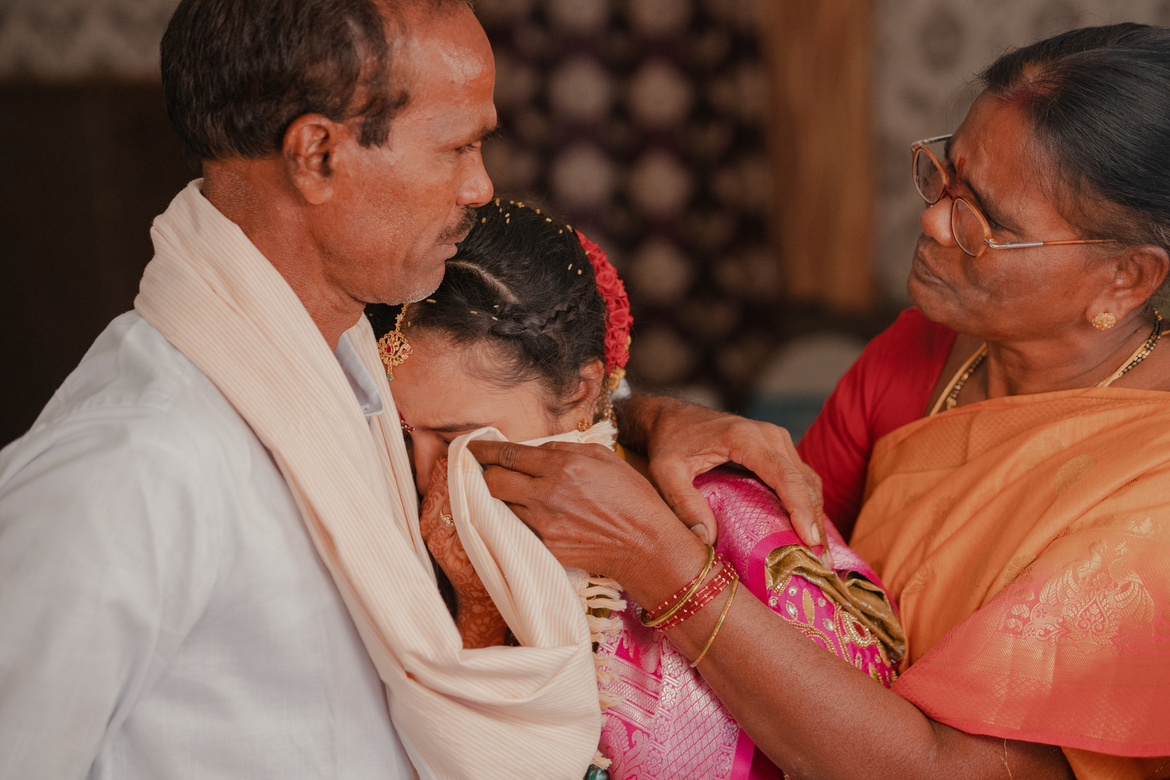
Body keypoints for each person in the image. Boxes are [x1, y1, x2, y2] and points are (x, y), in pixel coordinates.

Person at [0, 1, 824, 777]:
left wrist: (643, 414)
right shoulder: (135, 464)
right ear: (318, 155)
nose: (479, 188)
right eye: (457, 148)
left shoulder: (347, 365)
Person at [470, 23, 1170, 779]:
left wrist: (660, 565)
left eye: (986, 221)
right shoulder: (921, 352)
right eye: (946, 174)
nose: (934, 220)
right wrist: (660, 417)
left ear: (1127, 278)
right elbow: (787, 582)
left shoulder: (1152, 499)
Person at [379, 199, 904, 780]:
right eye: (404, 435)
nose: (429, 472)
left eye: (460, 438)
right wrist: (478, 611)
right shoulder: (397, 522)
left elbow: (875, 751)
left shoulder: (724, 517)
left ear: (581, 394)